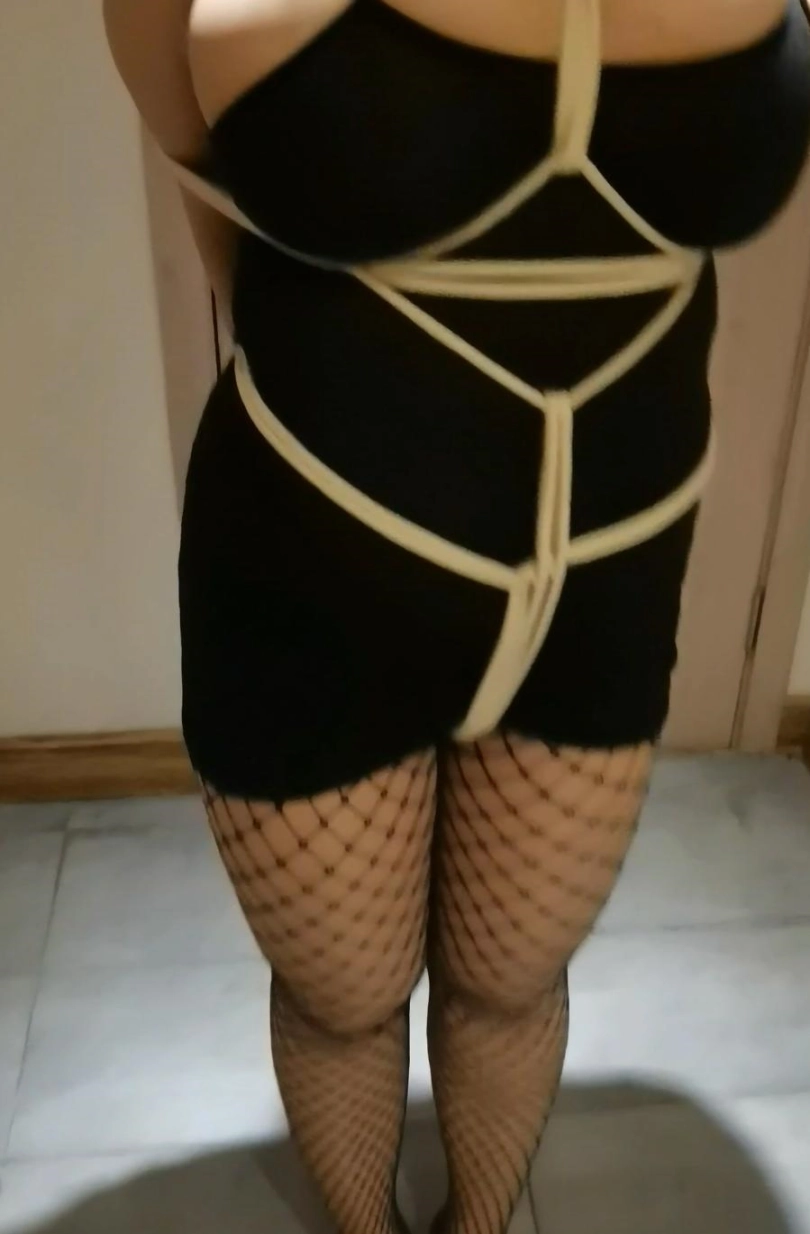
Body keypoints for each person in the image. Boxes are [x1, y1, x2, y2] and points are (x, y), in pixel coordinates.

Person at [104, 2, 810, 1231]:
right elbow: (212, 201)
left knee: (513, 981)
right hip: (319, 546)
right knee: (343, 998)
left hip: (610, 574)